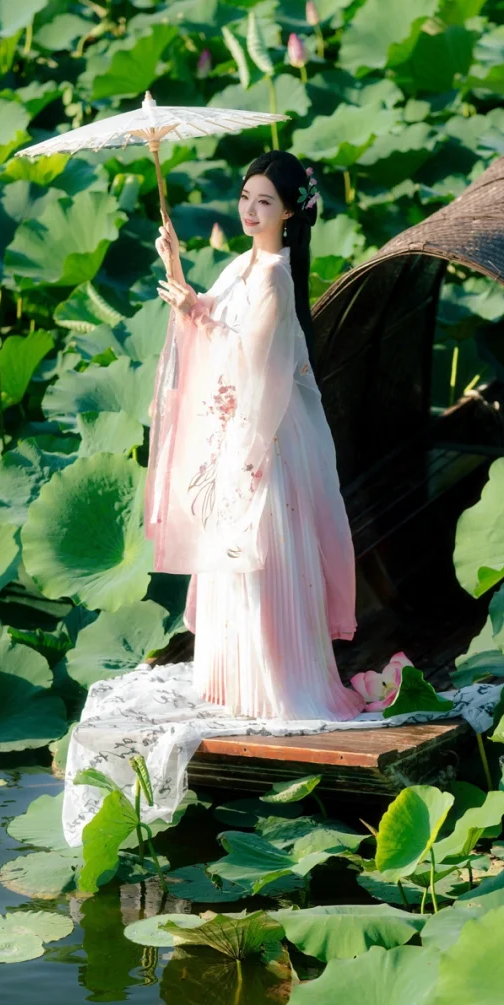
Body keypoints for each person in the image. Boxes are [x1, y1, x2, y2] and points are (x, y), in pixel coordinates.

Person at [145, 150, 364, 722]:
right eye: (245, 197)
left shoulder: (275, 277)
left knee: (260, 556)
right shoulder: (241, 266)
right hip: (238, 427)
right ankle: (229, 680)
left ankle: (271, 684)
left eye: (264, 201)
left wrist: (203, 317)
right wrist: (176, 269)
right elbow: (206, 313)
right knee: (230, 552)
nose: (249, 209)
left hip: (264, 435)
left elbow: (255, 362)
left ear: (289, 212)